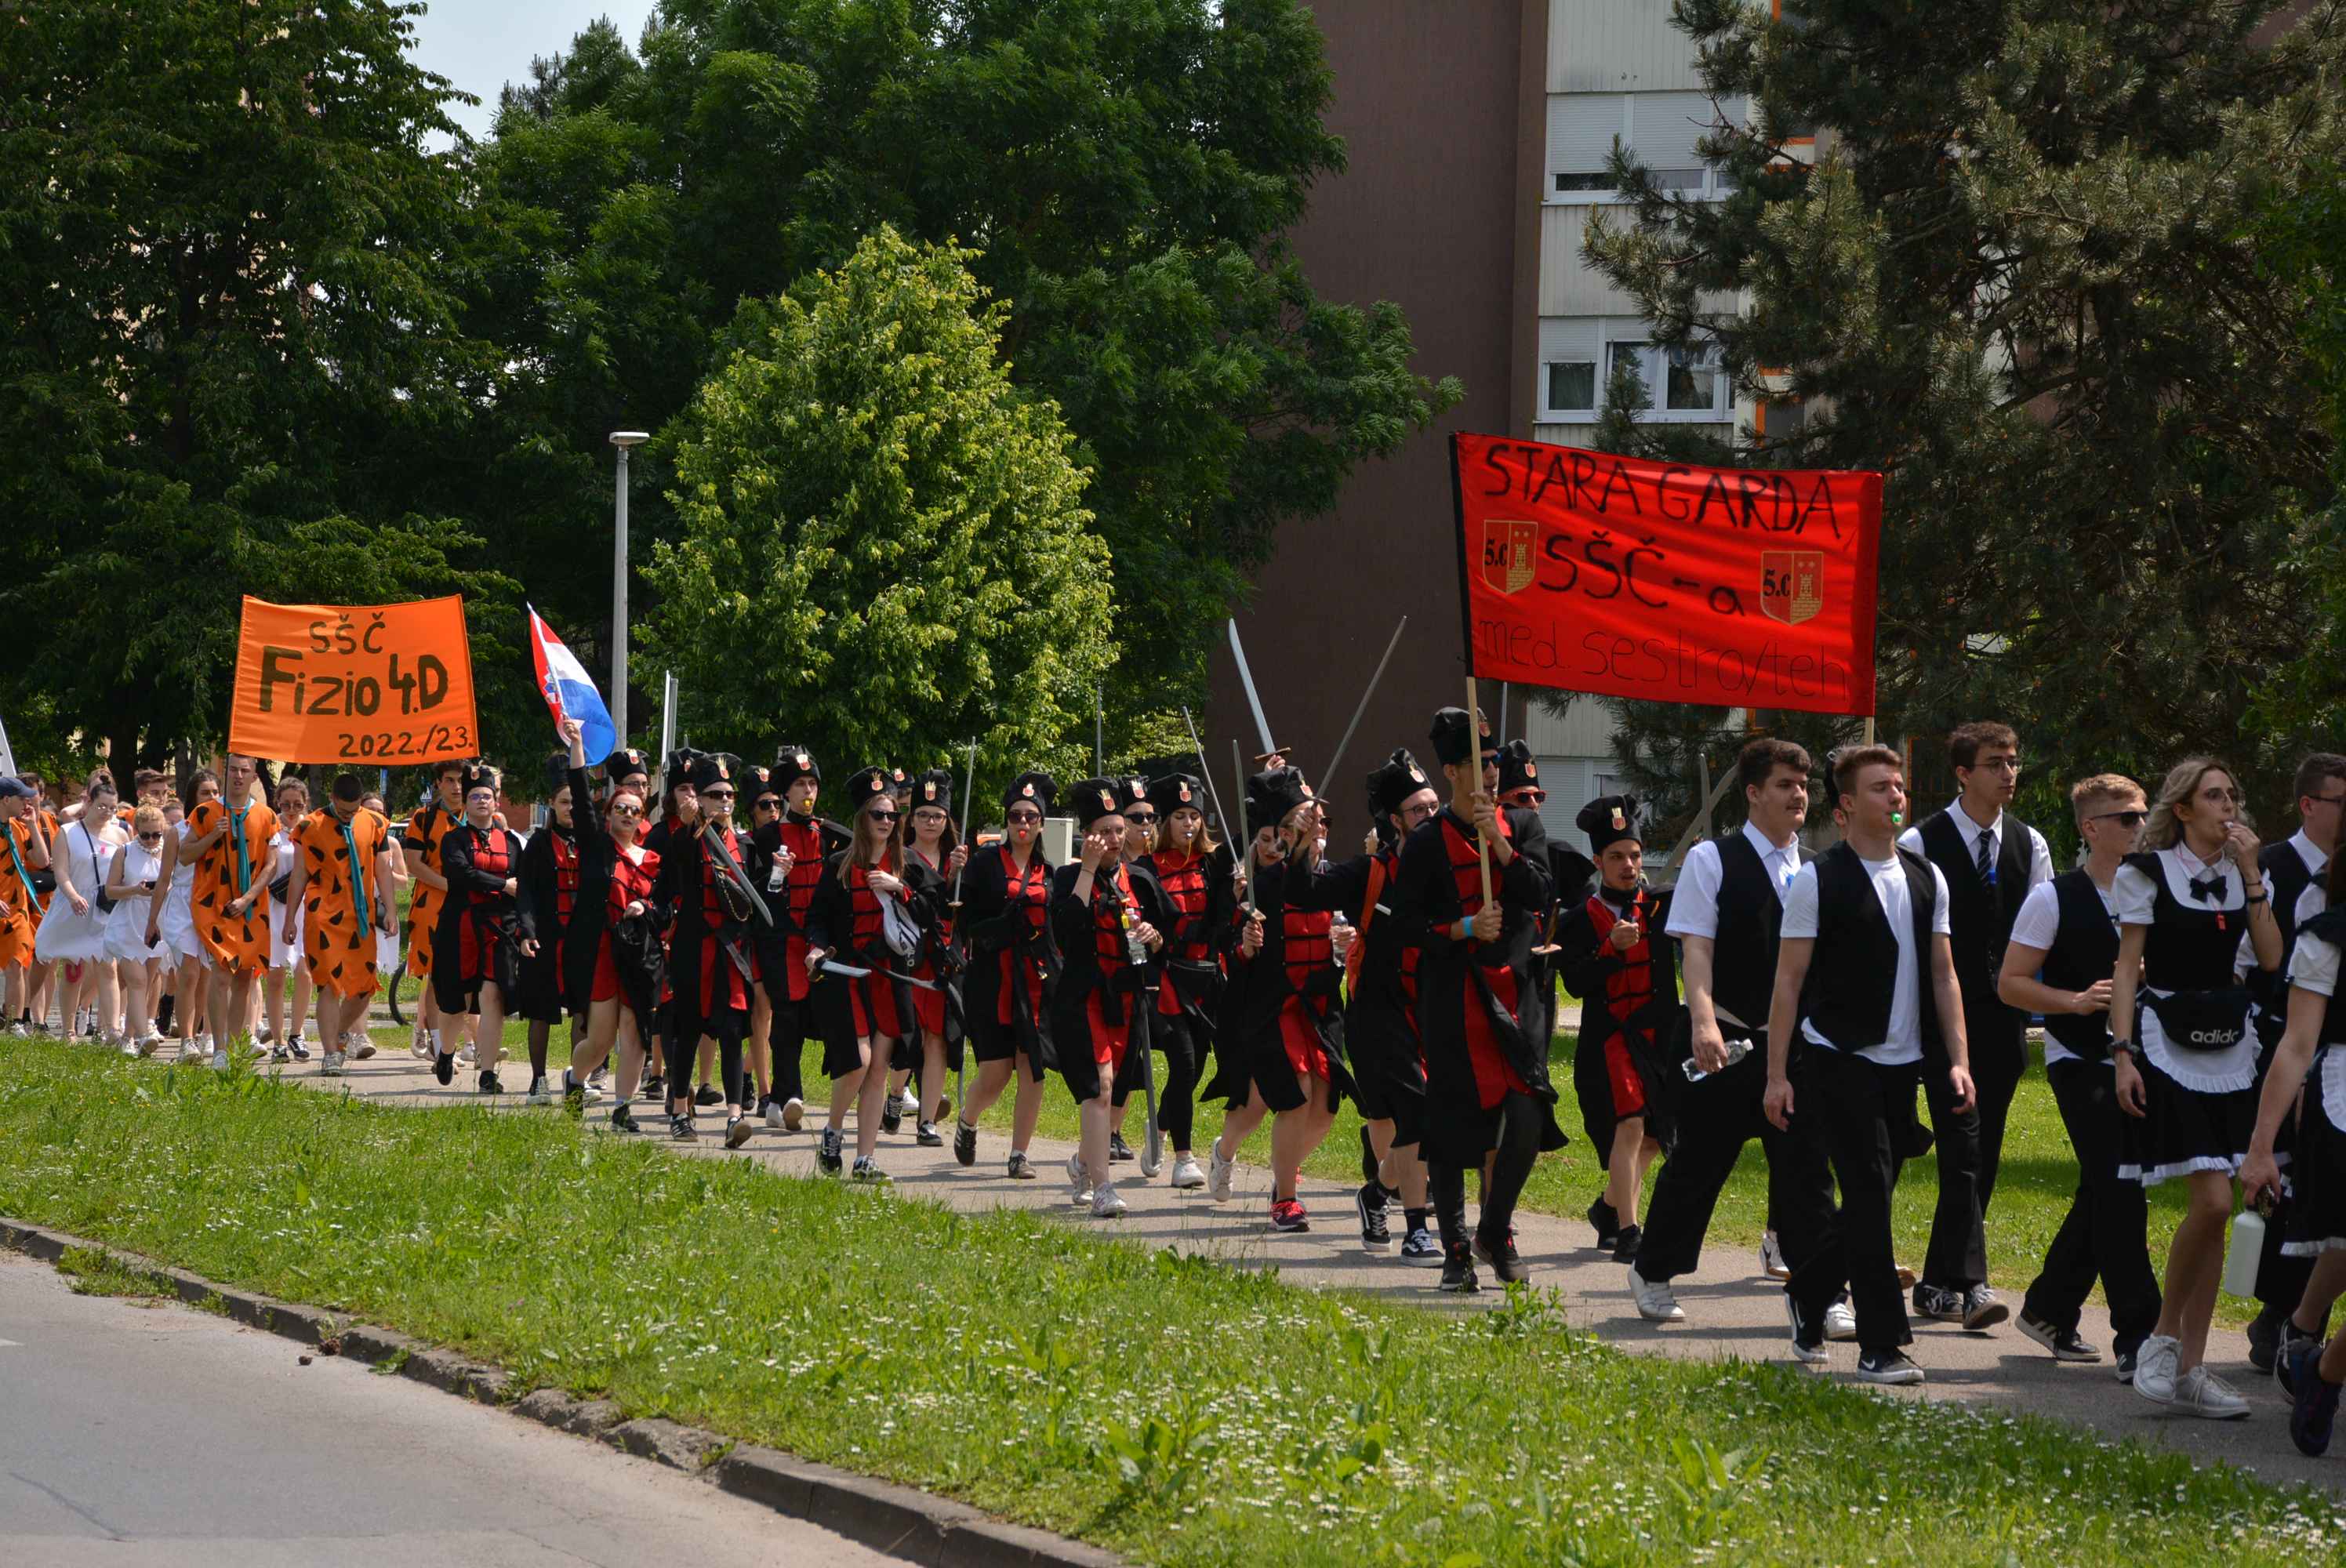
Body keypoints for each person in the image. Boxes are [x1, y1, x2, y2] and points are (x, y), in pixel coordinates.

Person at [1765, 745, 1970, 1386]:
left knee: (1870, 1198)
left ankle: (1809, 1291)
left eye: (1899, 786)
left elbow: (1944, 974)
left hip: (1905, 1063)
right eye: (1880, 788)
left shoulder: (1927, 877)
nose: (1896, 796)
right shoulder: (1818, 879)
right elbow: (1788, 982)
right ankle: (1882, 1345)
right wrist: (1777, 1075)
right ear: (1846, 806)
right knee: (1869, 1194)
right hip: (1838, 1055)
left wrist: (1959, 1060)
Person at [1631, 739, 1847, 1338]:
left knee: (1807, 1170)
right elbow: (1696, 949)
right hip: (1724, 1039)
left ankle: (1822, 1292)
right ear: (1753, 793)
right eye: (1784, 784)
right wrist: (1703, 1021)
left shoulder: (1817, 871)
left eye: (1802, 785)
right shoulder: (1712, 860)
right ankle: (1652, 1271)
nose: (1798, 795)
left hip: (1794, 1050)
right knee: (1698, 1165)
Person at [2112, 757, 2282, 1417]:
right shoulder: (2146, 872)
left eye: (2232, 794)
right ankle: (2161, 1340)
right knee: (2211, 1203)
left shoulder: (2246, 875)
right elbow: (2128, 966)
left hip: (2231, 1044)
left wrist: (2252, 872)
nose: (2228, 805)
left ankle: (2191, 1368)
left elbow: (2271, 958)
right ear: (2182, 810)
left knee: (2216, 1213)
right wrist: (2122, 1054)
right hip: (2167, 1041)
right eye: (2213, 795)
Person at [1990, 774, 2163, 1373]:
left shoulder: (2156, 891)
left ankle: (2048, 1307)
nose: (2141, 825)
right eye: (2127, 817)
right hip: (2079, 1061)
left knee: (2106, 1189)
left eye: (2144, 814)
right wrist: (2075, 1001)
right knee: (2121, 1189)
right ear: (2091, 828)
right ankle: (2139, 1336)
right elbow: (2010, 984)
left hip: (2147, 1061)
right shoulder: (2053, 899)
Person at [1390, 708, 1560, 1290]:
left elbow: (1541, 892)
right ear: (1451, 772)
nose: (1490, 774)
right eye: (1479, 764)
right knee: (1452, 1126)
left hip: (1517, 995)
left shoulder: (1523, 825)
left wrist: (1500, 844)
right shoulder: (1424, 843)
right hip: (1453, 997)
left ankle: (1494, 1228)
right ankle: (1456, 1250)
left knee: (1529, 1112)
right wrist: (1463, 929)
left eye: (1493, 763)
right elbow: (1405, 927)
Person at [1897, 722, 2050, 1329]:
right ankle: (1969, 1282)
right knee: (1961, 1145)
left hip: (2001, 1016)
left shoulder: (2030, 844)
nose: (2008, 773)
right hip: (1937, 1017)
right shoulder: (1920, 841)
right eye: (1995, 763)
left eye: (2013, 761)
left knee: (1981, 1152)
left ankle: (1941, 1283)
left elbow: (2038, 929)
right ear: (1963, 773)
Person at [1290, 750, 1439, 1257]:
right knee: (1417, 1110)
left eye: (1434, 806)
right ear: (1396, 820)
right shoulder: (1369, 873)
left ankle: (1376, 1194)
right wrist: (1302, 843)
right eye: (1419, 810)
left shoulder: (1453, 870)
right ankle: (1417, 1230)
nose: (1430, 816)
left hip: (1431, 1008)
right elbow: (1304, 891)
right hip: (1378, 1013)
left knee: (1427, 1116)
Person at [1200, 765, 1353, 1233]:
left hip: (1320, 1009)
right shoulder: (1262, 885)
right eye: (1307, 820)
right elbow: (1229, 945)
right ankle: (1282, 1195)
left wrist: (1346, 946)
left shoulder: (1333, 879)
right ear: (1287, 833)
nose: (1318, 826)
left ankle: (1282, 1170)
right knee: (1288, 1098)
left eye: (1321, 819)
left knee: (1324, 1111)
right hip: (1274, 1007)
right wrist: (1246, 947)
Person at [2242, 753, 2346, 1374]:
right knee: (2287, 1188)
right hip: (2290, 1046)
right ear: (2310, 805)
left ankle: (2299, 1326)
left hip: (2318, 1049)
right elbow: (2251, 963)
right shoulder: (2282, 872)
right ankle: (2285, 1317)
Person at [1556, 795, 1675, 1265]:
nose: (1628, 865)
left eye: (1635, 855)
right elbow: (1575, 983)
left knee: (1654, 1138)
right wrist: (1609, 948)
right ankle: (1629, 1230)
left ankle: (1607, 1208)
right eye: (1617, 857)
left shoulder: (1661, 906)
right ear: (1598, 862)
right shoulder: (1577, 919)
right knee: (1630, 1125)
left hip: (1658, 1038)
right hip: (1611, 1041)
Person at [1051, 779, 1168, 1217]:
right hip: (1085, 998)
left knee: (1113, 1091)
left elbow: (1165, 942)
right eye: (1104, 832)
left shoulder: (1140, 879)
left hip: (1128, 999)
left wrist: (1154, 938)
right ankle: (1103, 1187)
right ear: (1087, 835)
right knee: (1099, 1088)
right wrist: (1087, 868)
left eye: (1120, 830)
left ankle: (1083, 1163)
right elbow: (1067, 929)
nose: (1115, 839)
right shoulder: (1069, 877)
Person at [808, 766, 926, 1177]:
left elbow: (931, 913)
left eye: (893, 815)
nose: (887, 822)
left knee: (879, 1067)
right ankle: (833, 1128)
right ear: (862, 817)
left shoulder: (907, 864)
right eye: (878, 814)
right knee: (859, 1061)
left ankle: (865, 1159)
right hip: (848, 973)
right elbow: (817, 918)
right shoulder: (839, 865)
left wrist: (900, 889)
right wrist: (816, 948)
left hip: (890, 974)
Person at [953, 771, 1059, 1178]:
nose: (1023, 823)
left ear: (1042, 824)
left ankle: (1019, 1154)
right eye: (1016, 815)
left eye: (1031, 816)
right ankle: (968, 1118)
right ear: (1006, 821)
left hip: (1035, 983)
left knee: (1033, 1068)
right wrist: (953, 876)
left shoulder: (1049, 872)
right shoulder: (983, 863)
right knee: (995, 1075)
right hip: (991, 981)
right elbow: (961, 915)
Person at [561, 726, 666, 1132]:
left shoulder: (653, 860)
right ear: (608, 814)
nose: (627, 814)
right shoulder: (597, 848)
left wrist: (646, 906)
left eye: (634, 810)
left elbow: (667, 907)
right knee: (601, 1040)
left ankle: (623, 1110)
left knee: (636, 1032)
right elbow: (580, 795)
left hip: (640, 956)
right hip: (604, 952)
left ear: (642, 817)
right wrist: (577, 746)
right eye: (620, 807)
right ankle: (575, 1079)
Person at [1137, 771, 1234, 1193]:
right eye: (1180, 816)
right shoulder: (1146, 869)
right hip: (1169, 978)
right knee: (1184, 1062)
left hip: (1208, 977)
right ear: (1165, 822)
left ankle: (1159, 1127)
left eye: (1194, 816)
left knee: (1195, 1069)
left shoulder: (1215, 863)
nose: (1188, 824)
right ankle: (1184, 1159)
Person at [655, 751, 757, 1145]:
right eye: (716, 794)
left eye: (729, 795)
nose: (725, 801)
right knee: (688, 1029)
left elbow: (753, 901)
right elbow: (672, 876)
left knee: (731, 1031)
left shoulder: (744, 844)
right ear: (700, 799)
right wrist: (688, 826)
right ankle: (680, 1109)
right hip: (693, 949)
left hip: (731, 951)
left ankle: (735, 1116)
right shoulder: (687, 839)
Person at [746, 745, 846, 1131]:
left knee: (810, 1018)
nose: (808, 791)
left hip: (819, 941)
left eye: (812, 784)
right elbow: (756, 896)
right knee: (786, 1018)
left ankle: (780, 1100)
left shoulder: (829, 834)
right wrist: (777, 876)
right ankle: (791, 1096)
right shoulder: (766, 837)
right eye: (800, 784)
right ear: (786, 792)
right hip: (782, 941)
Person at [428, 764, 536, 1094]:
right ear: (466, 802)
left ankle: (487, 1072)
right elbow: (460, 873)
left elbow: (525, 890)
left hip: (499, 928)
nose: (481, 801)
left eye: (486, 796)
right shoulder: (453, 839)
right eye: (474, 796)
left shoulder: (513, 843)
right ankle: (446, 1052)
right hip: (460, 925)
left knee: (493, 996)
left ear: (496, 801)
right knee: (457, 1002)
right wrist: (503, 885)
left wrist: (527, 931)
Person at [280, 772, 396, 1076]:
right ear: (332, 799)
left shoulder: (375, 823)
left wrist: (391, 910)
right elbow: (299, 874)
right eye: (344, 811)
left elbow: (383, 870)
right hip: (323, 913)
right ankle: (331, 1053)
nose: (349, 816)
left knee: (364, 988)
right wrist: (290, 918)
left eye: (354, 810)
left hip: (361, 915)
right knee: (329, 985)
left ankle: (340, 1030)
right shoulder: (310, 827)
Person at [176, 755, 278, 1067]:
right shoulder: (205, 812)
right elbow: (184, 856)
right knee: (221, 973)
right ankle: (219, 1048)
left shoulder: (266, 815)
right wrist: (212, 836)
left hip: (251, 907)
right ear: (226, 774)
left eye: (245, 771)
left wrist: (248, 898)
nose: (238, 775)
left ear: (254, 776)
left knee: (244, 978)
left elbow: (271, 865)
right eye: (233, 769)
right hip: (214, 905)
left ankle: (233, 1047)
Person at [514, 750, 590, 1105]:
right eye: (564, 802)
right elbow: (526, 893)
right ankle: (539, 1080)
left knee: (582, 1013)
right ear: (552, 804)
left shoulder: (592, 842)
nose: (570, 808)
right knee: (541, 1013)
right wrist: (527, 933)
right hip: (544, 939)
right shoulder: (539, 844)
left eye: (575, 802)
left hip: (580, 941)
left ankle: (577, 1080)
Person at [899, 768, 968, 1146]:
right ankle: (896, 1094)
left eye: (937, 816)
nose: (930, 821)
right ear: (912, 819)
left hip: (945, 957)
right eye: (923, 815)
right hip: (909, 956)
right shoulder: (899, 857)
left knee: (938, 1037)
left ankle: (926, 1121)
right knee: (907, 1035)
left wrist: (959, 874)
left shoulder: (956, 859)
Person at [36, 766, 124, 1039]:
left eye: (112, 808)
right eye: (101, 806)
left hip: (105, 907)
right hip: (74, 904)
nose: (107, 812)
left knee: (108, 966)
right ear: (89, 803)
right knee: (73, 970)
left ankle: (111, 1029)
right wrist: (73, 895)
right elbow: (61, 871)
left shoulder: (120, 834)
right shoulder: (69, 832)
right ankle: (69, 1030)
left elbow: (125, 871)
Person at [403, 760, 468, 1062]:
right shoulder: (424, 817)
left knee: (468, 975)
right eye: (450, 780)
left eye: (461, 780)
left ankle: (465, 1043)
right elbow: (414, 864)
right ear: (439, 783)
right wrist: (449, 885)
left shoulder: (480, 815)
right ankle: (439, 1044)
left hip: (471, 905)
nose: (457, 787)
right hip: (432, 904)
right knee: (434, 974)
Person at [101, 803, 171, 1052]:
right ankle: (143, 1036)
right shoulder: (125, 852)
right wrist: (135, 889)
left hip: (158, 921)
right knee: (138, 982)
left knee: (146, 984)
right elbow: (110, 890)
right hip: (128, 922)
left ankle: (127, 1038)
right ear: (136, 830)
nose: (151, 840)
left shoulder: (169, 851)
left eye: (156, 834)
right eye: (145, 835)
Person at [260, 776, 316, 1060]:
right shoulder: (271, 829)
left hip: (305, 906)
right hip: (275, 906)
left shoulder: (312, 829)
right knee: (276, 975)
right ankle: (278, 1041)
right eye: (286, 804)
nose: (292, 810)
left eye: (298, 804)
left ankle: (297, 1033)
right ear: (277, 803)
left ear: (305, 804)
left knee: (305, 972)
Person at [1, 775, 53, 1034]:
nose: (27, 802)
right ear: (6, 800)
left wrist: (33, 825)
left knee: (17, 965)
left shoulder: (18, 827)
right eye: (22, 798)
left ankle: (14, 1024)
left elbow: (42, 861)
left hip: (17, 908)